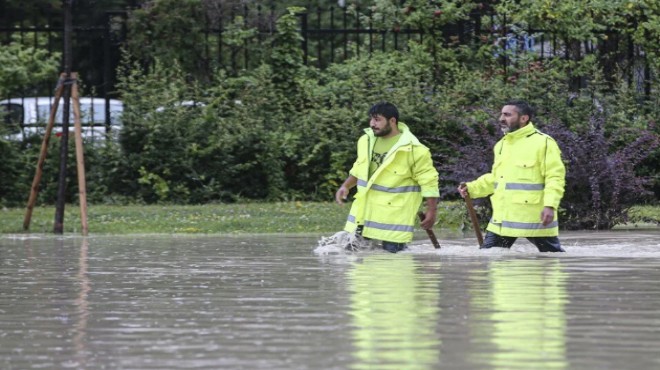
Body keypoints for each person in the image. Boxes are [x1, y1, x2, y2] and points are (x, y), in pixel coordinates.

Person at [457, 100, 566, 252]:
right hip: (503, 220)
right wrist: (472, 188)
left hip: (534, 218)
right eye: (501, 114)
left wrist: (550, 205)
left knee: (553, 262)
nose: (501, 118)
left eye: (507, 114)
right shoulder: (501, 144)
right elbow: (497, 179)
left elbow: (555, 177)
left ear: (524, 118)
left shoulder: (544, 143)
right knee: (488, 259)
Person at [335, 102, 439, 253]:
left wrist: (431, 211)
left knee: (394, 263)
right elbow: (359, 168)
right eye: (371, 119)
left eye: (377, 120)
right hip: (364, 213)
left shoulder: (414, 149)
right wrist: (346, 186)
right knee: (352, 256)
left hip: (394, 218)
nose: (372, 124)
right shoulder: (366, 141)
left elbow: (429, 181)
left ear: (392, 121)